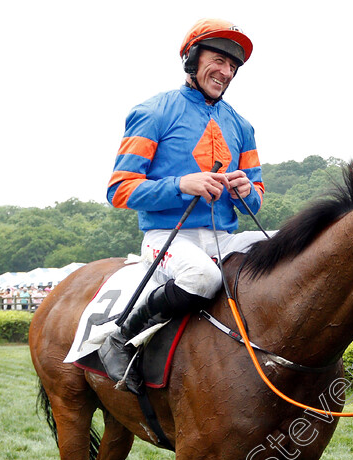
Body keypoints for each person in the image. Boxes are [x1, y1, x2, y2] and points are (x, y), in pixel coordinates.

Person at [100, 18, 265, 384]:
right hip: (168, 237)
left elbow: (257, 201)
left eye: (233, 66)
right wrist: (181, 185)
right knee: (203, 277)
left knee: (290, 247)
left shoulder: (242, 126)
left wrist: (245, 192)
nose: (226, 72)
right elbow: (119, 190)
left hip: (226, 238)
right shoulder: (153, 112)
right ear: (192, 58)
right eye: (218, 60)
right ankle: (120, 338)